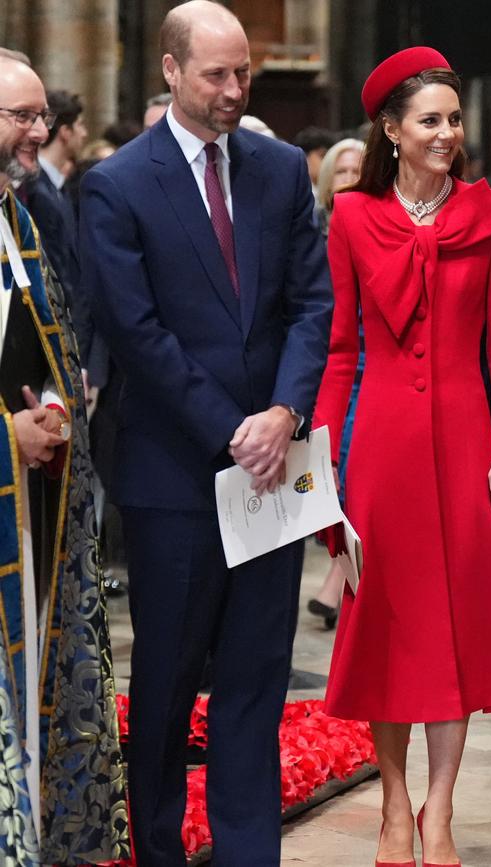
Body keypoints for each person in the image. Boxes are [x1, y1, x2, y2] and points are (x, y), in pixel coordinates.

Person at [78, 2, 332, 865]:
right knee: (168, 680)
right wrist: (232, 428)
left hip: (271, 471)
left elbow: (312, 305)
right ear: (172, 70)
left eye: (243, 73)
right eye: (217, 74)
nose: (234, 90)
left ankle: (250, 851)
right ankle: (155, 847)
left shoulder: (278, 170)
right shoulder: (117, 185)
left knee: (257, 677)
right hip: (175, 476)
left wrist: (283, 413)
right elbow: (138, 334)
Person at [313, 47, 491, 867]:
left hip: (467, 444)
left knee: (453, 634)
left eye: (454, 120)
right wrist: (319, 458)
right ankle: (393, 806)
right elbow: (342, 348)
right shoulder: (351, 218)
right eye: (430, 120)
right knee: (389, 630)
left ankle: (441, 808)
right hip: (380, 446)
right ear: (391, 129)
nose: (447, 134)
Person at [0, 49, 128, 864]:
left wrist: (49, 408)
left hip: (28, 517)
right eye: (22, 115)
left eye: (43, 115)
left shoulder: (16, 217)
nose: (41, 132)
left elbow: (40, 347)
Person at [308, 137, 364, 629]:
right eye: (340, 172)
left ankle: (340, 582)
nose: (349, 179)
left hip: (370, 360)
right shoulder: (314, 231)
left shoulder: (370, 224)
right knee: (336, 475)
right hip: (332, 365)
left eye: (357, 171)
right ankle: (342, 578)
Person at [22, 89, 87, 313]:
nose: (85, 134)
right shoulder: (38, 191)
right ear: (66, 132)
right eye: (80, 125)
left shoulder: (58, 187)